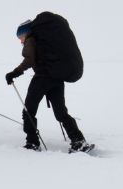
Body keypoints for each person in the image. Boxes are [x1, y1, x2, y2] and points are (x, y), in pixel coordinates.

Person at [5, 18, 92, 152]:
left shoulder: (31, 40)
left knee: (28, 111)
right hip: (57, 77)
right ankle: (78, 140)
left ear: (26, 33)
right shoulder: (44, 41)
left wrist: (14, 73)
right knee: (61, 113)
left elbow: (29, 60)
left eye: (20, 37)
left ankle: (32, 143)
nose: (21, 41)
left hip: (42, 78)